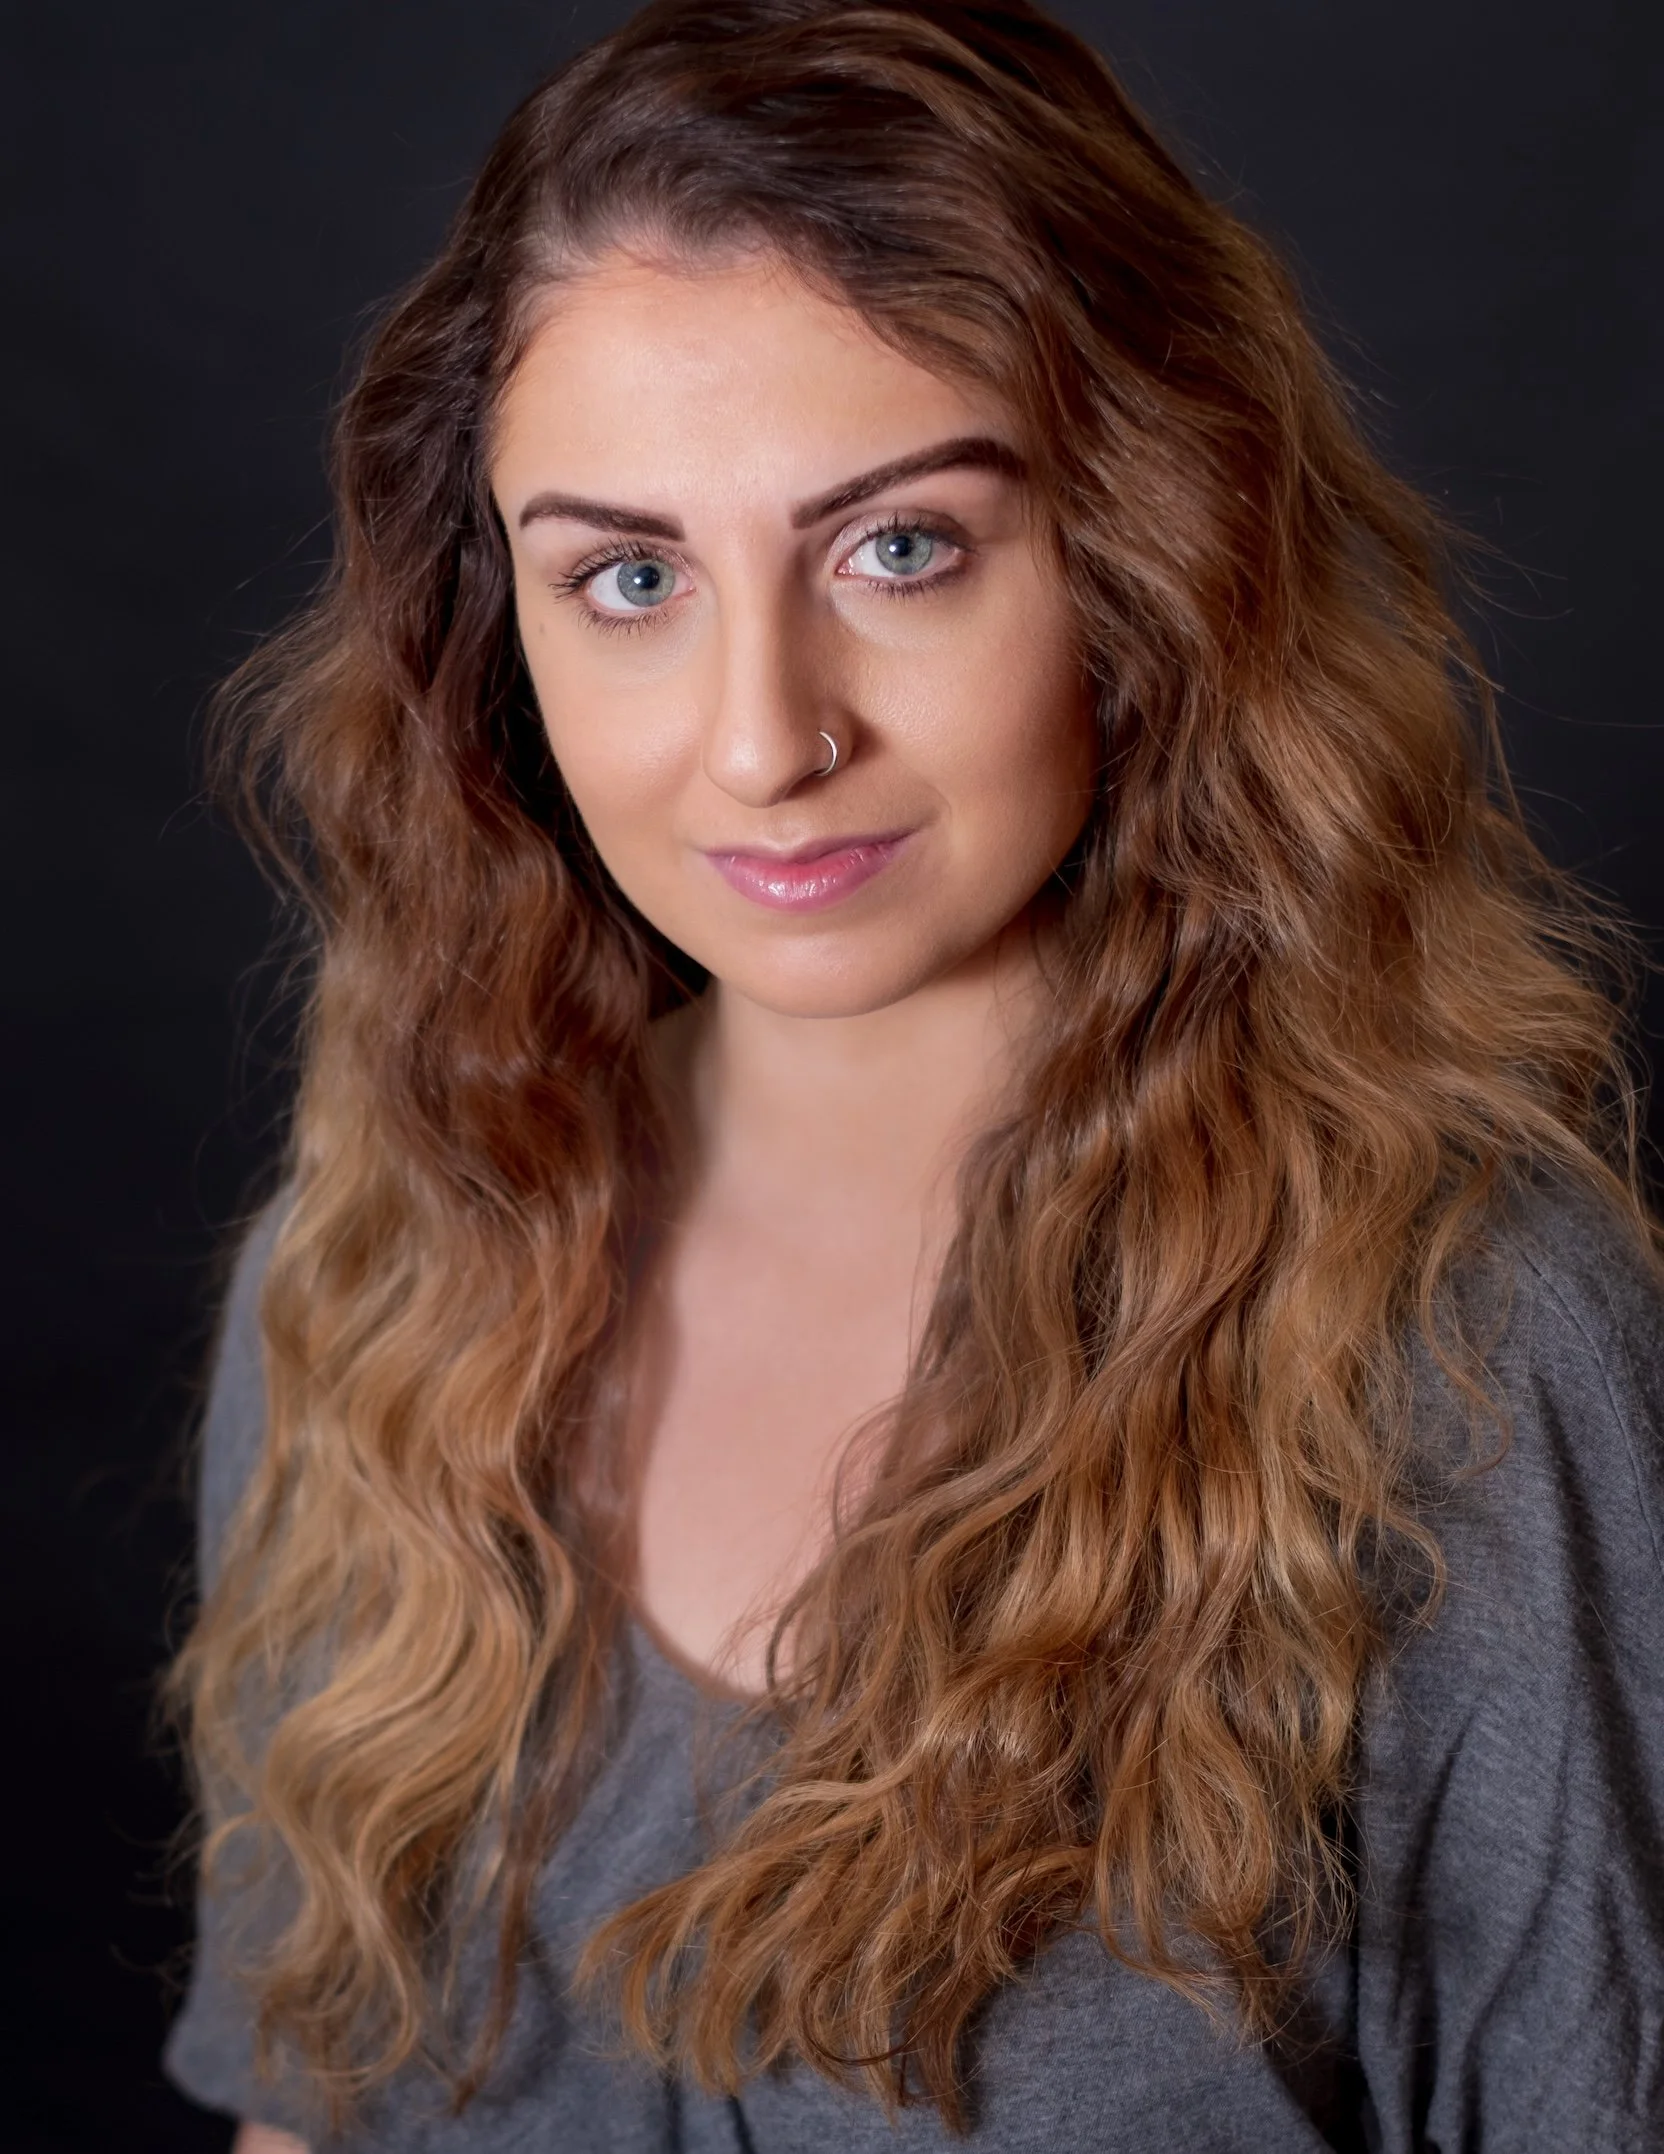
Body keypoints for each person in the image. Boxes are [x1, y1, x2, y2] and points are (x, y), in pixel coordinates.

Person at [162, 1, 1664, 2148]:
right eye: (629, 578)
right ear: (497, 624)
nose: (765, 735)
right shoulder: (388, 1264)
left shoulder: (1469, 1348)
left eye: (899, 548)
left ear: (1146, 547)